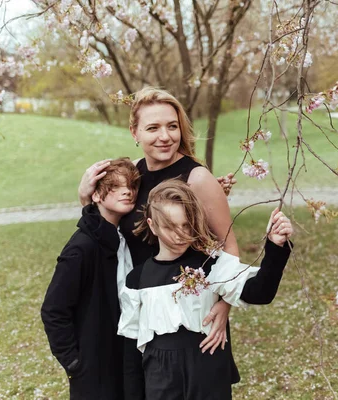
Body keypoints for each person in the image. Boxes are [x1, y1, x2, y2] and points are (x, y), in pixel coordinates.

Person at [78, 87, 239, 399]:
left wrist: (225, 305)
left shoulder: (197, 179)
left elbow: (229, 247)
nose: (165, 136)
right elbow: (107, 225)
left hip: (188, 320)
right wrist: (85, 196)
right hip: (142, 312)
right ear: (134, 132)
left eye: (172, 126)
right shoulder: (132, 174)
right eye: (153, 128)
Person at [117, 179, 293, 400]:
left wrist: (275, 247)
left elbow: (260, 293)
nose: (180, 234)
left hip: (207, 368)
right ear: (152, 225)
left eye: (185, 225)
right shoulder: (137, 279)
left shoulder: (209, 265)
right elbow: (131, 349)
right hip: (160, 377)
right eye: (170, 227)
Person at [41, 158, 140, 400]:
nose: (126, 191)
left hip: (126, 357)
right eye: (115, 186)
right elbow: (53, 310)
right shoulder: (82, 247)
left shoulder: (124, 237)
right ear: (96, 195)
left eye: (130, 186)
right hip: (94, 368)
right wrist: (74, 362)